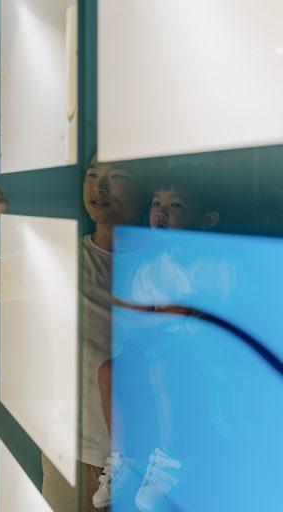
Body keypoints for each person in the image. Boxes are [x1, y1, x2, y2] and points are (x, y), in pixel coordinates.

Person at [92, 165, 223, 511]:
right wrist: (167, 317)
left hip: (207, 357)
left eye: (175, 205)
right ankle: (123, 458)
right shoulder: (151, 270)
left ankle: (168, 463)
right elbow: (135, 324)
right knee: (109, 370)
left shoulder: (220, 266)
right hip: (157, 352)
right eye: (156, 203)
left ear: (207, 219)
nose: (161, 212)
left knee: (168, 363)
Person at [40, 153, 150, 512]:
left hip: (153, 462)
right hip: (73, 451)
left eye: (116, 175)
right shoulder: (57, 258)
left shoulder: (170, 263)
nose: (98, 187)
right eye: (91, 174)